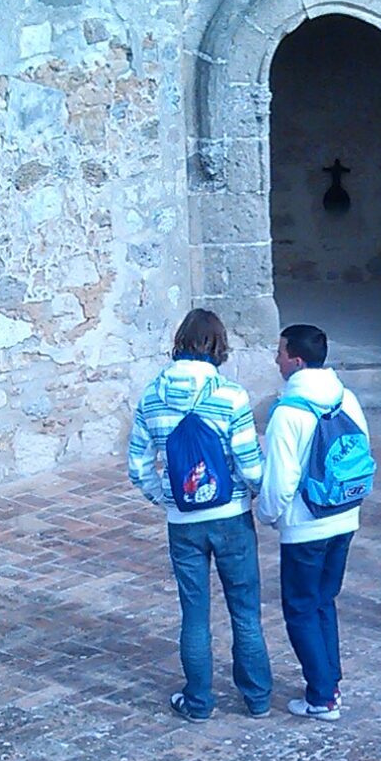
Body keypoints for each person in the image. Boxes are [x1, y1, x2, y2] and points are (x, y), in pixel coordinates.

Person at [126, 308, 271, 720]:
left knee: (193, 614)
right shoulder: (231, 396)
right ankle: (257, 698)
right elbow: (250, 465)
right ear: (218, 345)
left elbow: (138, 465)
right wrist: (258, 495)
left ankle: (199, 701)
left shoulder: (151, 396)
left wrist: (165, 498)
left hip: (183, 522)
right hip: (231, 516)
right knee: (245, 612)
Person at [257, 322, 371, 720]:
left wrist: (268, 516)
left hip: (305, 524)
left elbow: (280, 480)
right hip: (345, 516)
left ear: (297, 361)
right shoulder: (347, 398)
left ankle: (321, 696)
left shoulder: (288, 413)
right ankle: (331, 681)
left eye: (280, 352)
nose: (276, 359)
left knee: (300, 607)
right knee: (324, 600)